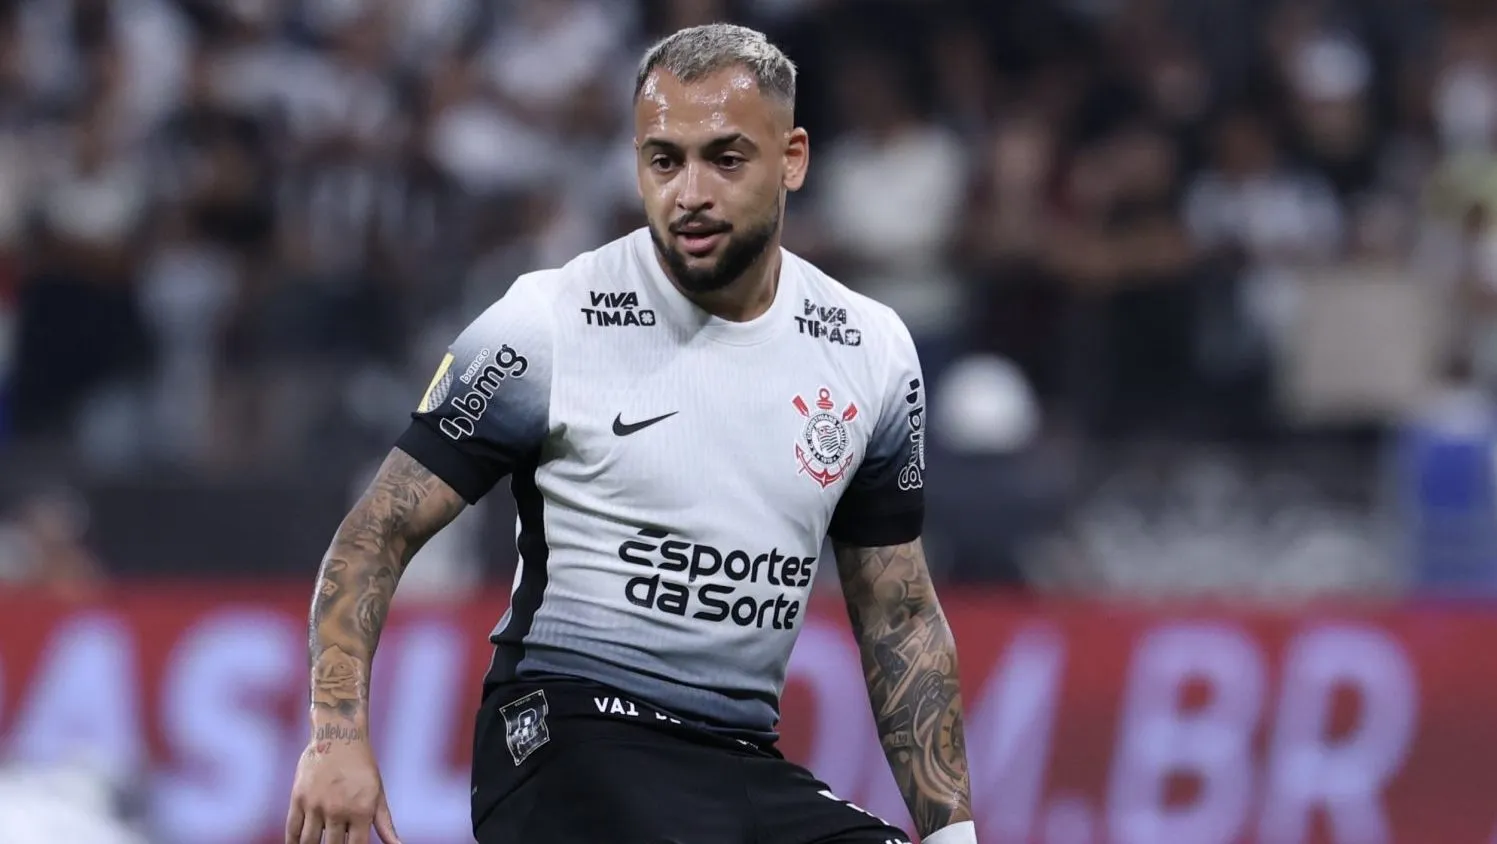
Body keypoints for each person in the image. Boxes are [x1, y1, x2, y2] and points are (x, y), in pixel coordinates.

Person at [284, 22, 976, 844]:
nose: (689, 193)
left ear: (790, 158)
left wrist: (950, 834)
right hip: (564, 738)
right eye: (663, 159)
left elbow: (896, 614)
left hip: (738, 761)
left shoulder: (870, 350)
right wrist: (335, 740)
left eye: (725, 158)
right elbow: (374, 534)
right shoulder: (547, 323)